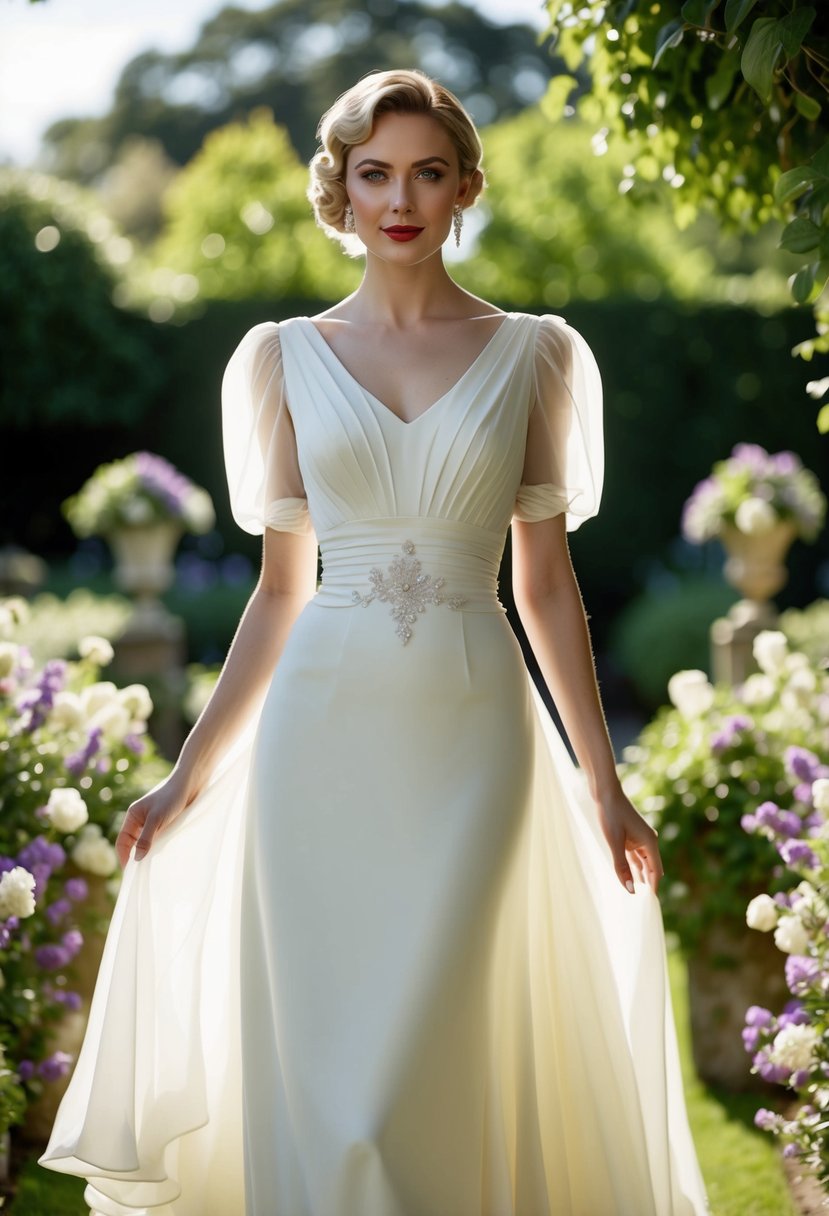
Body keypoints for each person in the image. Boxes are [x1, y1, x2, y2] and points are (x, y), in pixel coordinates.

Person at [40, 69, 708, 1215]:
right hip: (318, 736)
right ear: (339, 191)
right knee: (335, 1080)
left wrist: (603, 784)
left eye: (427, 172)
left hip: (473, 731)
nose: (401, 198)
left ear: (463, 189)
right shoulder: (279, 357)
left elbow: (546, 589)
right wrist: (188, 773)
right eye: (375, 173)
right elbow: (276, 594)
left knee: (428, 1055)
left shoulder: (534, 354)